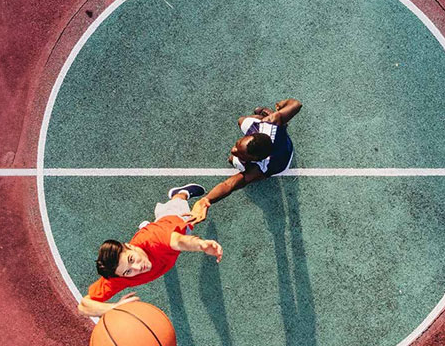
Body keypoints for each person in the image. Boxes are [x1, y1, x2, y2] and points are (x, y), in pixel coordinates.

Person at [76, 184, 224, 317]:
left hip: (172, 221)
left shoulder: (154, 240)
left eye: (131, 259)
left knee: (185, 219)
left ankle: (180, 192)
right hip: (159, 249)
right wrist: (113, 308)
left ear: (131, 246)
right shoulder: (119, 276)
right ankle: (148, 225)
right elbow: (83, 306)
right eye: (128, 271)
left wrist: (201, 245)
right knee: (160, 234)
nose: (137, 268)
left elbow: (179, 241)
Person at [189, 98, 302, 224]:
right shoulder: (271, 121)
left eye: (240, 153)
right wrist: (282, 105)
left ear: (255, 159)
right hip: (273, 135)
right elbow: (296, 104)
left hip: (280, 161)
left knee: (234, 161)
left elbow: (229, 185)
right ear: (252, 135)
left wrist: (207, 200)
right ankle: (280, 123)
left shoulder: (259, 168)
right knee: (242, 121)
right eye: (238, 145)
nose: (233, 150)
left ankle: (257, 170)